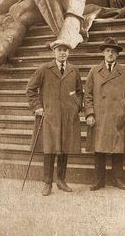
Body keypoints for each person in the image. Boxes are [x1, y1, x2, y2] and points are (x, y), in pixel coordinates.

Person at [26, 41, 83, 196]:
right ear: (54, 52)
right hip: (50, 116)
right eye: (59, 50)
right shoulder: (45, 69)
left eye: (65, 50)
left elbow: (79, 91)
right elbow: (30, 89)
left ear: (69, 53)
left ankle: (61, 180)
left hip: (68, 117)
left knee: (65, 149)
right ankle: (47, 183)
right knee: (49, 150)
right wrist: (37, 107)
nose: (63, 53)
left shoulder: (74, 70)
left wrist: (76, 106)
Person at [84, 37, 125, 191]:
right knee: (99, 150)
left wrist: (123, 107)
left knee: (117, 150)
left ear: (117, 54)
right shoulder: (94, 71)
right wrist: (90, 114)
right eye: (108, 50)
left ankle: (117, 179)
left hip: (117, 116)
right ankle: (99, 180)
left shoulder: (124, 72)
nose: (110, 53)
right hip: (99, 117)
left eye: (113, 51)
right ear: (103, 53)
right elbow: (87, 95)